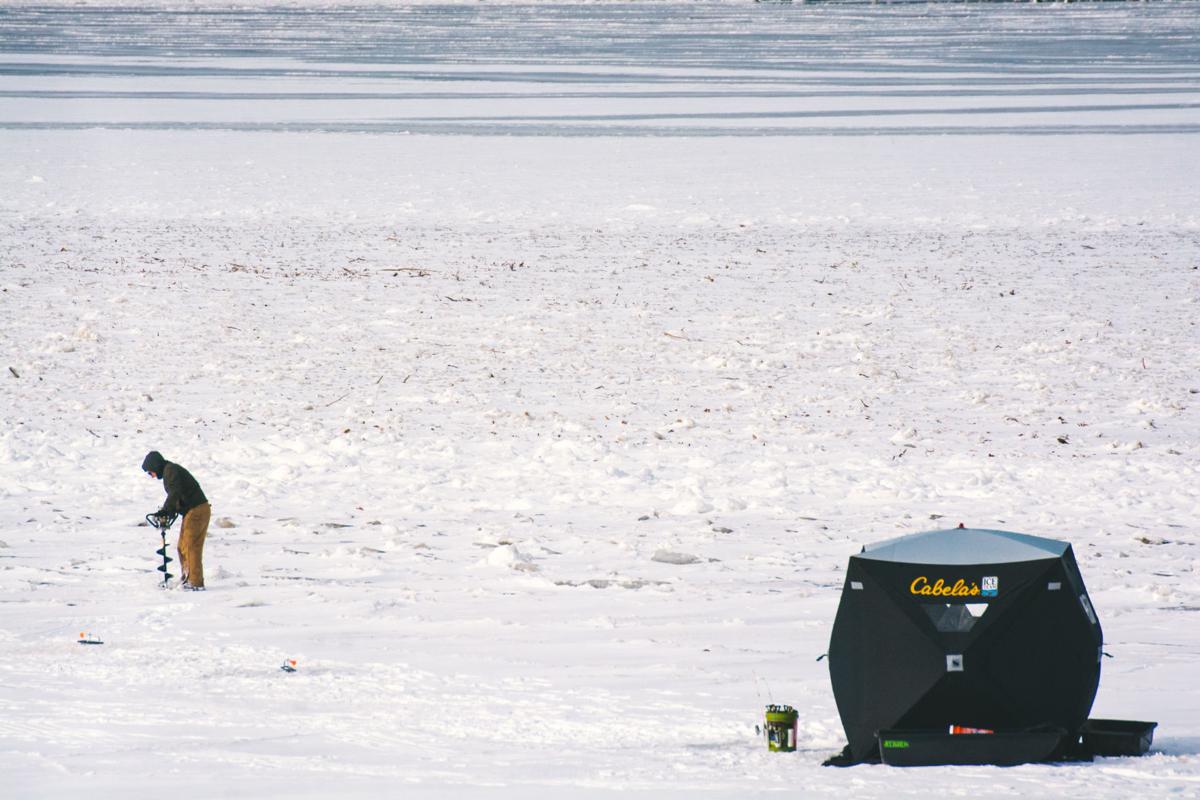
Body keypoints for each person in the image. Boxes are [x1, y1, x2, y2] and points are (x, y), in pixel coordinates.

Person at [142, 450, 211, 591]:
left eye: (150, 472)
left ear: (155, 466)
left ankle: (195, 583)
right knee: (182, 547)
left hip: (197, 510)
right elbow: (177, 496)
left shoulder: (171, 471)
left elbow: (175, 493)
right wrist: (169, 511)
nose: (151, 476)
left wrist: (166, 510)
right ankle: (187, 578)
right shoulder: (170, 471)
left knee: (191, 547)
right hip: (192, 511)